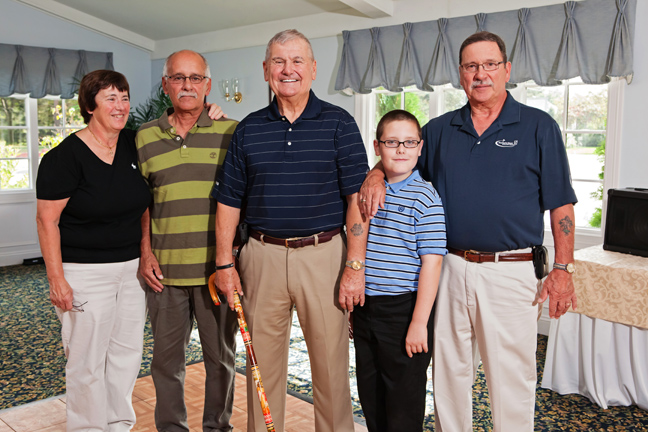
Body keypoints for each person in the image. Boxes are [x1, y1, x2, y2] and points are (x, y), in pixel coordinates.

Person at [360, 31, 578, 432]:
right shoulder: (441, 130)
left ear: (507, 69)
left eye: (490, 64)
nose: (481, 74)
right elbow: (398, 153)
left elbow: (561, 205)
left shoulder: (537, 126)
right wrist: (374, 175)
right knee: (448, 374)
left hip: (511, 272)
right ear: (460, 74)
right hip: (451, 268)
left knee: (511, 379)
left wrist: (563, 268)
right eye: (471, 66)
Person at [213, 29, 369, 432]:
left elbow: (357, 201)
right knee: (261, 368)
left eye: (297, 61)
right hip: (261, 257)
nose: (288, 70)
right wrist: (224, 264)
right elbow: (228, 200)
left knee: (331, 369)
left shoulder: (339, 123)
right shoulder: (247, 130)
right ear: (266, 70)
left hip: (324, 255)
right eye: (279, 62)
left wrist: (355, 265)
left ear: (313, 69)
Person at [36, 69, 151, 431]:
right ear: (89, 106)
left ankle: (118, 424)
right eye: (110, 98)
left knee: (126, 354)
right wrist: (57, 279)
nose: (121, 106)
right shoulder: (64, 158)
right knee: (86, 361)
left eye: (124, 97)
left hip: (131, 270)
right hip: (84, 272)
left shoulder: (134, 143)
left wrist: (211, 111)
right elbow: (46, 221)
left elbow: (146, 203)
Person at [136, 50, 239, 432]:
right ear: (165, 85)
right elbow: (140, 202)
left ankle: (217, 427)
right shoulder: (144, 137)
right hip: (164, 273)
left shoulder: (230, 131)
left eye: (196, 78)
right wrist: (145, 252)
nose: (187, 85)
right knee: (165, 363)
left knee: (220, 360)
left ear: (207, 85)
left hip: (217, 272)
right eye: (178, 78)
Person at [354, 110, 446, 432]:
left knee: (403, 407)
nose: (401, 149)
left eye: (409, 142)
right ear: (377, 146)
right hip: (367, 309)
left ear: (420, 148)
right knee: (371, 396)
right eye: (392, 142)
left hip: (404, 311)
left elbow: (432, 264)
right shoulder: (367, 192)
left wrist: (419, 323)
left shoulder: (425, 198)